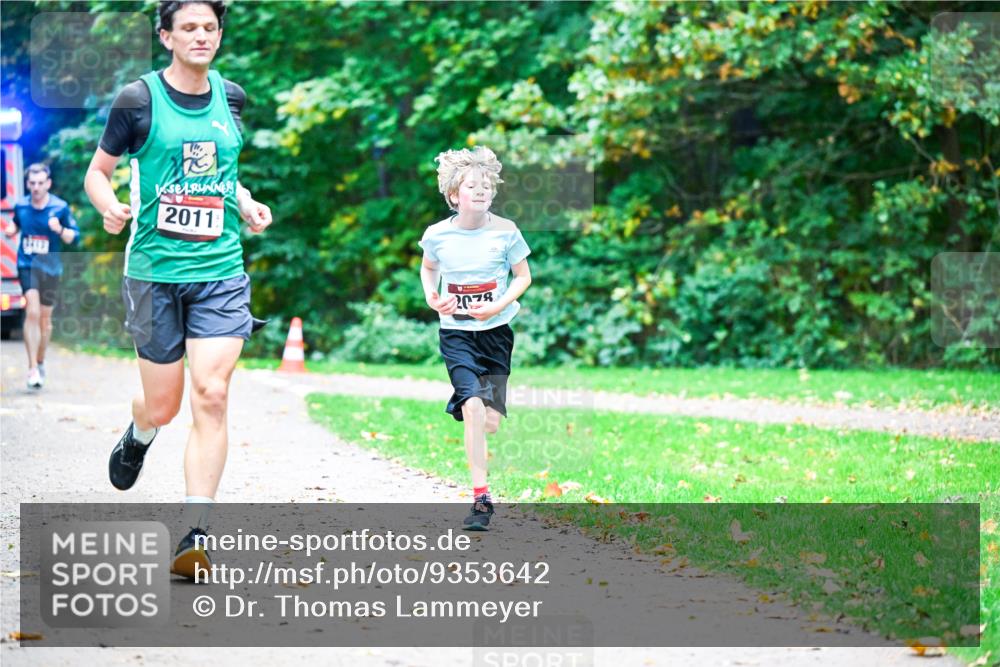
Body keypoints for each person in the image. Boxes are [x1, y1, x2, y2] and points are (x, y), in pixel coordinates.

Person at [83, 0, 272, 578]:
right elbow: (98, 172)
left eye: (210, 27)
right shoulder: (137, 100)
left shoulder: (231, 98)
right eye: (188, 27)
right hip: (153, 273)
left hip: (219, 270)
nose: (201, 36)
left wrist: (245, 203)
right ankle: (140, 434)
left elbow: (222, 174)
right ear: (166, 36)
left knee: (211, 393)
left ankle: (195, 534)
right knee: (163, 405)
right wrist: (109, 206)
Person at [419, 146, 532, 530]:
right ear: (454, 195)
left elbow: (523, 276)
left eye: (486, 185)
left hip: (496, 334)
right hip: (457, 333)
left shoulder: (506, 231)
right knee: (472, 407)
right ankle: (481, 499)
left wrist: (497, 304)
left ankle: (474, 410)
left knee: (491, 421)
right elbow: (428, 269)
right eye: (472, 186)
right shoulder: (437, 235)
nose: (481, 191)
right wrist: (432, 296)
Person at [4, 163, 80, 389]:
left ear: (48, 183)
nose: (36, 187)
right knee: (33, 311)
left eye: (40, 183)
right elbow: (16, 225)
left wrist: (59, 230)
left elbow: (74, 238)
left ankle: (40, 360)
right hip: (27, 265)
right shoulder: (21, 206)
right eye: (32, 183)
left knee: (45, 322)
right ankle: (31, 369)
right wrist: (10, 231)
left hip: (50, 269)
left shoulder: (60, 207)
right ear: (27, 184)